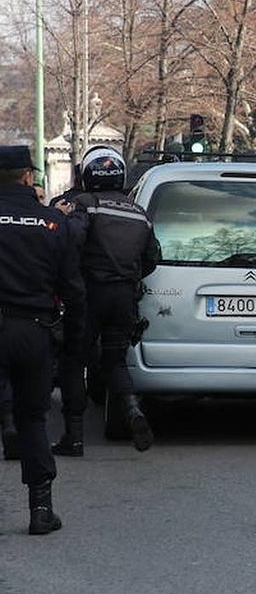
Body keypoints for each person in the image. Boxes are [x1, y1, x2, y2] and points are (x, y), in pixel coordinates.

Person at [0, 144, 85, 534]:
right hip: (33, 329)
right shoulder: (53, 222)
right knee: (33, 417)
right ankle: (40, 509)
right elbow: (72, 288)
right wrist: (74, 337)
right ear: (28, 177)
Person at [54, 146, 161, 454]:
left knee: (73, 361)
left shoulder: (85, 205)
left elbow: (69, 244)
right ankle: (133, 411)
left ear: (87, 175)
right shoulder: (138, 213)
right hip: (124, 297)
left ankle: (73, 437)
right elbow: (151, 258)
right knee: (114, 360)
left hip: (88, 295)